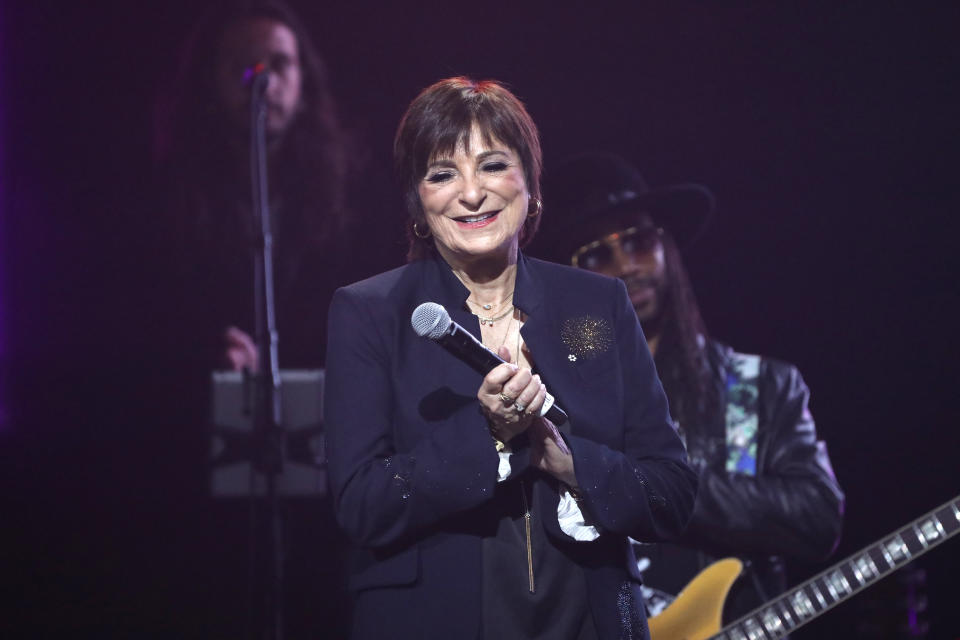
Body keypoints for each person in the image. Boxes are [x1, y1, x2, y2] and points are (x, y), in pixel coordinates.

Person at [324, 77, 698, 640]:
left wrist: (564, 460)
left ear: (531, 186)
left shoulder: (595, 304)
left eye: (493, 165)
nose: (471, 193)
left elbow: (670, 493)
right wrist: (491, 437)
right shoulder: (371, 313)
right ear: (418, 205)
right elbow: (363, 504)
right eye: (442, 174)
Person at [533, 152, 845, 625]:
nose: (626, 266)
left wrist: (653, 482)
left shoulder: (758, 386)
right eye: (596, 255)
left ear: (667, 249)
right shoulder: (556, 399)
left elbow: (818, 518)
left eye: (638, 242)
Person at [145, 1, 358, 637]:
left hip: (324, 483)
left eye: (279, 64)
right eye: (242, 67)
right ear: (210, 81)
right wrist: (203, 350)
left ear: (304, 79)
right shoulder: (167, 196)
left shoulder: (349, 191)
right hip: (204, 492)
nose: (261, 81)